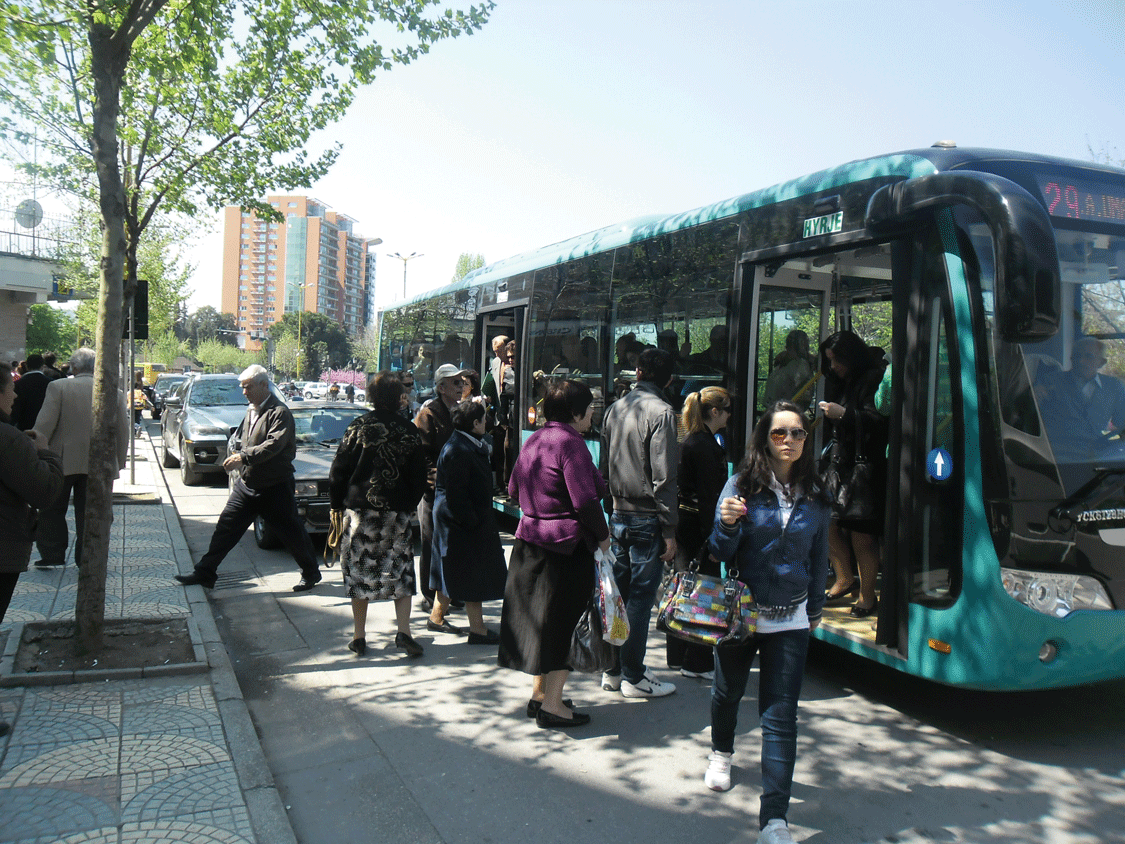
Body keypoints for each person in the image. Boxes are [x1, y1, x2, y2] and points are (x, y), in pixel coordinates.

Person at [702, 401, 830, 844]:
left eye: (797, 433)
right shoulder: (741, 485)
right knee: (727, 692)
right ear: (765, 438)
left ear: (806, 440)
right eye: (780, 433)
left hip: (790, 616)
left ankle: (774, 821)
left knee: (780, 717)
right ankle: (721, 751)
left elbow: (819, 557)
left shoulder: (816, 493)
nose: (789, 440)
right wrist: (726, 524)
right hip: (742, 612)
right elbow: (718, 551)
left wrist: (815, 610)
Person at [500, 379, 610, 728]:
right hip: (566, 548)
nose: (592, 414)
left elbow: (513, 489)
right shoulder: (571, 444)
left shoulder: (535, 439)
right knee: (564, 625)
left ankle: (541, 696)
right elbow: (586, 501)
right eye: (589, 408)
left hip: (530, 544)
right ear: (575, 413)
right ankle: (553, 706)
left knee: (541, 624)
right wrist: (604, 537)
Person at [174, 365, 323, 592]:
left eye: (248, 387)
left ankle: (311, 573)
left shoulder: (279, 412)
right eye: (242, 387)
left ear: (264, 385)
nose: (244, 392)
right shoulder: (251, 410)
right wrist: (235, 452)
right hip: (248, 485)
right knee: (226, 527)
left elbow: (273, 445)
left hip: (275, 486)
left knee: (291, 533)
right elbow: (243, 438)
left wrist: (242, 457)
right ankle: (205, 572)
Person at [329, 371, 428, 658]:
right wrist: (408, 504)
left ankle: (359, 636)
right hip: (396, 513)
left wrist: (336, 506)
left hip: (359, 514)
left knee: (359, 574)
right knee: (401, 573)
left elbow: (338, 471)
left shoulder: (357, 427)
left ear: (371, 397)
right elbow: (419, 476)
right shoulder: (407, 430)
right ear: (398, 397)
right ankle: (404, 632)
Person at [599, 346, 679, 698]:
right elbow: (664, 476)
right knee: (641, 598)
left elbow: (604, 464)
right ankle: (634, 673)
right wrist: (670, 529)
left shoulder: (615, 408)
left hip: (618, 513)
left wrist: (609, 504)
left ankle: (613, 669)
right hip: (647, 517)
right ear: (670, 380)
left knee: (619, 593)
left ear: (638, 373)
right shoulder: (662, 412)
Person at [0, 358, 65, 737]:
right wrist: (44, 451)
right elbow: (45, 490)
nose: (14, 396)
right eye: (9, 389)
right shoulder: (8, 440)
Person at [31, 348, 130, 568]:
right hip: (99, 461)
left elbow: (45, 424)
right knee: (91, 511)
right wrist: (119, 461)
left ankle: (52, 553)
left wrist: (36, 451)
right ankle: (86, 556)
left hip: (61, 459)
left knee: (52, 508)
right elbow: (122, 431)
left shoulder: (58, 387)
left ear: (74, 367)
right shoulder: (113, 392)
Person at [817, 330, 888, 617]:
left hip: (864, 467)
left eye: (837, 360)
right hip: (841, 466)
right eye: (829, 361)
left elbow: (880, 421)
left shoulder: (872, 378)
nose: (833, 367)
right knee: (827, 522)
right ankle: (844, 577)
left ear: (851, 357)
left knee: (862, 535)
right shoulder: (842, 381)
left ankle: (867, 597)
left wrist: (843, 414)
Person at [427, 399, 507, 644]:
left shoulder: (466, 443)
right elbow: (457, 494)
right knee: (473, 573)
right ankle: (478, 629)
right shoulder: (459, 450)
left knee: (451, 568)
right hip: (461, 520)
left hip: (460, 519)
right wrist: (472, 522)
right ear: (475, 423)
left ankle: (437, 617)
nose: (487, 422)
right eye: (484, 419)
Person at [667, 386, 732, 680]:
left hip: (686, 525)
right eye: (727, 410)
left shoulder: (692, 441)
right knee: (704, 593)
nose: (729, 416)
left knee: (685, 587)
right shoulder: (705, 446)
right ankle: (697, 661)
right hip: (700, 528)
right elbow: (709, 497)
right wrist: (716, 539)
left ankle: (679, 654)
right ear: (714, 412)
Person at [413, 363, 464, 613]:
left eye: (461, 382)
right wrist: (435, 480)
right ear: (441, 388)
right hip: (433, 492)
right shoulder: (428, 414)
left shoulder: (460, 412)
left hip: (455, 490)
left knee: (452, 545)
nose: (460, 386)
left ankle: (450, 592)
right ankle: (429, 595)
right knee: (430, 543)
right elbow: (420, 455)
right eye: (455, 382)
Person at [1036, 337, 1125, 463]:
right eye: (1076, 356)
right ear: (1071, 358)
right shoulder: (1051, 381)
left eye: (1089, 356)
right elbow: (1031, 416)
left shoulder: (1114, 386)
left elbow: (1122, 422)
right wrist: (1035, 395)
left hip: (1097, 454)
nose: (1081, 361)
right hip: (1057, 455)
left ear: (1101, 362)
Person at [764, 330, 815, 410]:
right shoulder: (797, 365)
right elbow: (805, 398)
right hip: (781, 410)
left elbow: (805, 396)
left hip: (779, 409)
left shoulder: (789, 364)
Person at [12, 353, 51, 431]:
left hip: (24, 426)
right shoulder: (51, 383)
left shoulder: (17, 384)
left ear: (26, 366)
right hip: (46, 426)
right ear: (42, 367)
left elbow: (15, 409)